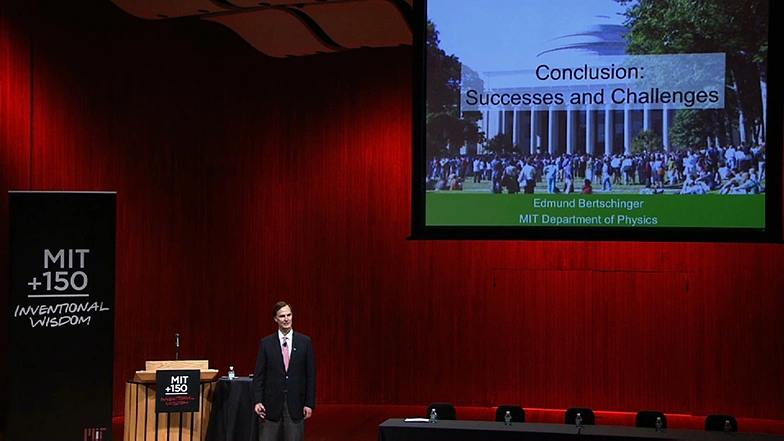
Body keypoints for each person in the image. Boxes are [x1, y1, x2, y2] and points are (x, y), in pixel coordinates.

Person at [253, 302, 316, 441]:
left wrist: (309, 403)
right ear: (275, 319)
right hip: (270, 406)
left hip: (296, 405)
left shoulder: (305, 342)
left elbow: (311, 376)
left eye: (289, 315)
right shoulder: (266, 343)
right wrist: (258, 401)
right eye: (282, 316)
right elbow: (259, 375)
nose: (286, 319)